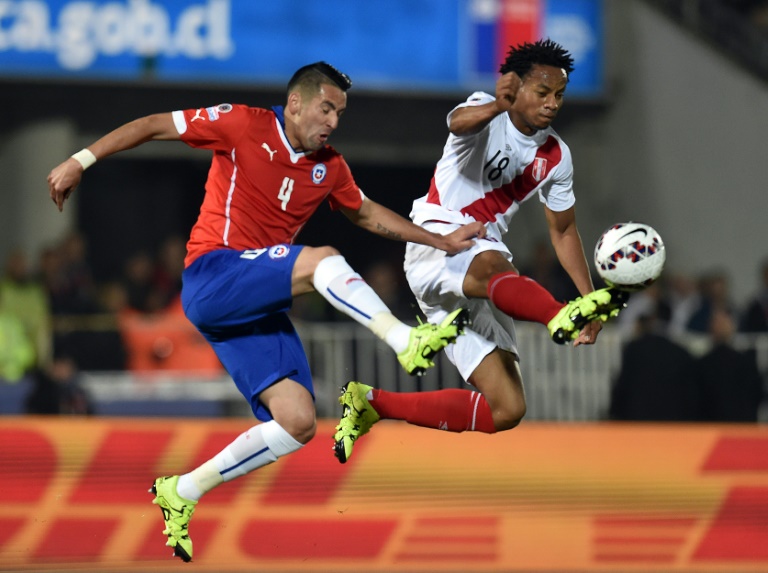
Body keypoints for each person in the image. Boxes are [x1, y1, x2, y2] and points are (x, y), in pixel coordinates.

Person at [46, 61, 483, 562]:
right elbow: (152, 125)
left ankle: (183, 490)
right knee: (323, 261)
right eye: (326, 108)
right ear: (295, 103)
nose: (333, 121)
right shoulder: (243, 123)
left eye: (340, 113)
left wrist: (440, 239)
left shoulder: (330, 167)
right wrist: (81, 159)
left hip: (255, 302)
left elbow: (364, 212)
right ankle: (406, 340)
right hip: (213, 274)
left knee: (298, 422)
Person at [333, 39, 628, 463]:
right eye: (542, 93)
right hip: (438, 238)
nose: (552, 104)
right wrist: (497, 106)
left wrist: (588, 300)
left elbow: (563, 231)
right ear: (516, 86)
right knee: (493, 262)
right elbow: (457, 122)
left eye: (559, 95)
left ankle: (371, 404)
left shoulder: (557, 155)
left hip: (478, 263)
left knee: (507, 408)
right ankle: (554, 314)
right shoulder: (485, 111)